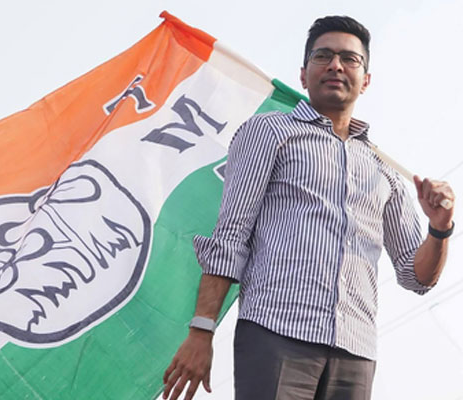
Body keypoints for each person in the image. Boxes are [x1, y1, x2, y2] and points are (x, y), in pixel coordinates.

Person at [162, 15, 456, 400]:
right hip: (276, 334)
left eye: (350, 59)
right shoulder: (271, 132)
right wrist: (202, 331)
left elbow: (416, 277)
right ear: (303, 75)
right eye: (323, 56)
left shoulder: (384, 171)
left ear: (366, 80)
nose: (336, 65)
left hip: (356, 352)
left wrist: (439, 228)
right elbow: (231, 235)